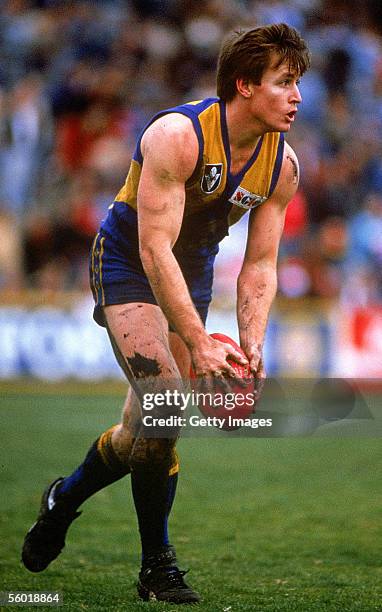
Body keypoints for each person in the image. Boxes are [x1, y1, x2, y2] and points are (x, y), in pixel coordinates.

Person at [22, 23, 310, 605]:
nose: (298, 96)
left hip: (192, 271)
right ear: (244, 85)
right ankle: (157, 566)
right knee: (165, 403)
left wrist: (252, 344)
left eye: (298, 82)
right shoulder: (177, 136)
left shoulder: (283, 165)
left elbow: (259, 265)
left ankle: (63, 500)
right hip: (129, 261)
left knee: (143, 432)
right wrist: (200, 339)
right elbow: (154, 248)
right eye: (284, 83)